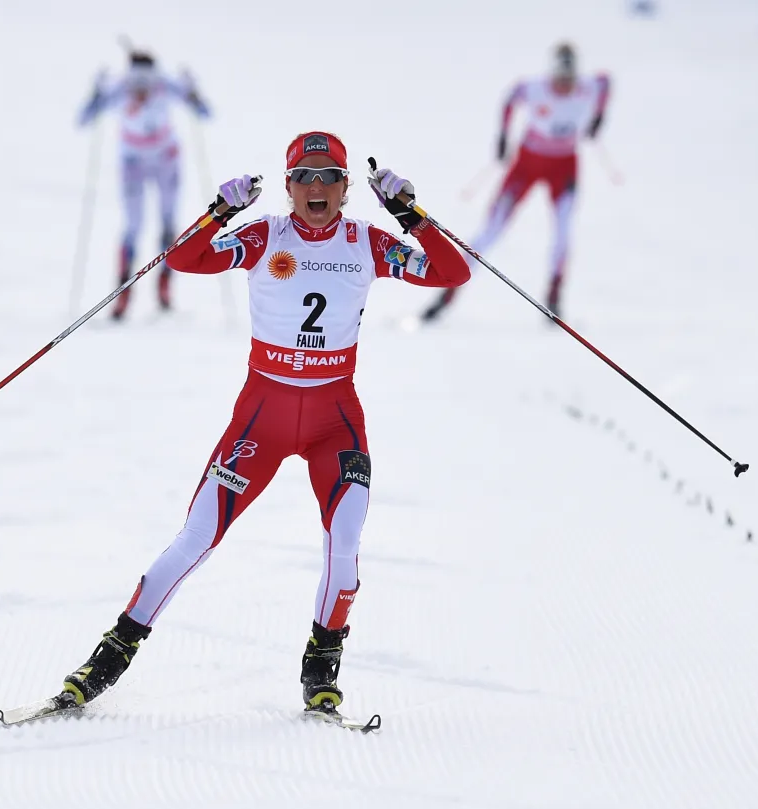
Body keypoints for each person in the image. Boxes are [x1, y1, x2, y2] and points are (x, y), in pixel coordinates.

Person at [60, 132, 471, 717]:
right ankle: (108, 657)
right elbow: (184, 259)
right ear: (287, 187)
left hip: (335, 421)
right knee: (196, 538)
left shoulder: (366, 241)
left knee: (346, 545)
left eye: (329, 177)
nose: (316, 188)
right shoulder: (266, 236)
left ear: (346, 188)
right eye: (304, 178)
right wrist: (220, 211)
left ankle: (321, 670)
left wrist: (411, 214)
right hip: (262, 418)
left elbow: (453, 273)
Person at [422, 42, 610, 322]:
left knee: (563, 232)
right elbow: (512, 97)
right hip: (527, 164)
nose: (565, 86)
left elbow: (606, 83)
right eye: (560, 80)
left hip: (564, 167)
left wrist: (599, 118)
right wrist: (502, 136)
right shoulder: (536, 88)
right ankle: (448, 293)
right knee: (490, 231)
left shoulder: (588, 87)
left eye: (569, 80)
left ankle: (554, 299)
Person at [77, 50, 211, 319]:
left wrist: (192, 90)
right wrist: (96, 93)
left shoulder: (164, 83)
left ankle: (165, 288)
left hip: (166, 160)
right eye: (136, 80)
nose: (141, 88)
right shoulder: (120, 86)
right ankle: (123, 293)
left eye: (146, 81)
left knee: (168, 222)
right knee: (133, 226)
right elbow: (84, 119)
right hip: (133, 162)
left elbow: (204, 112)